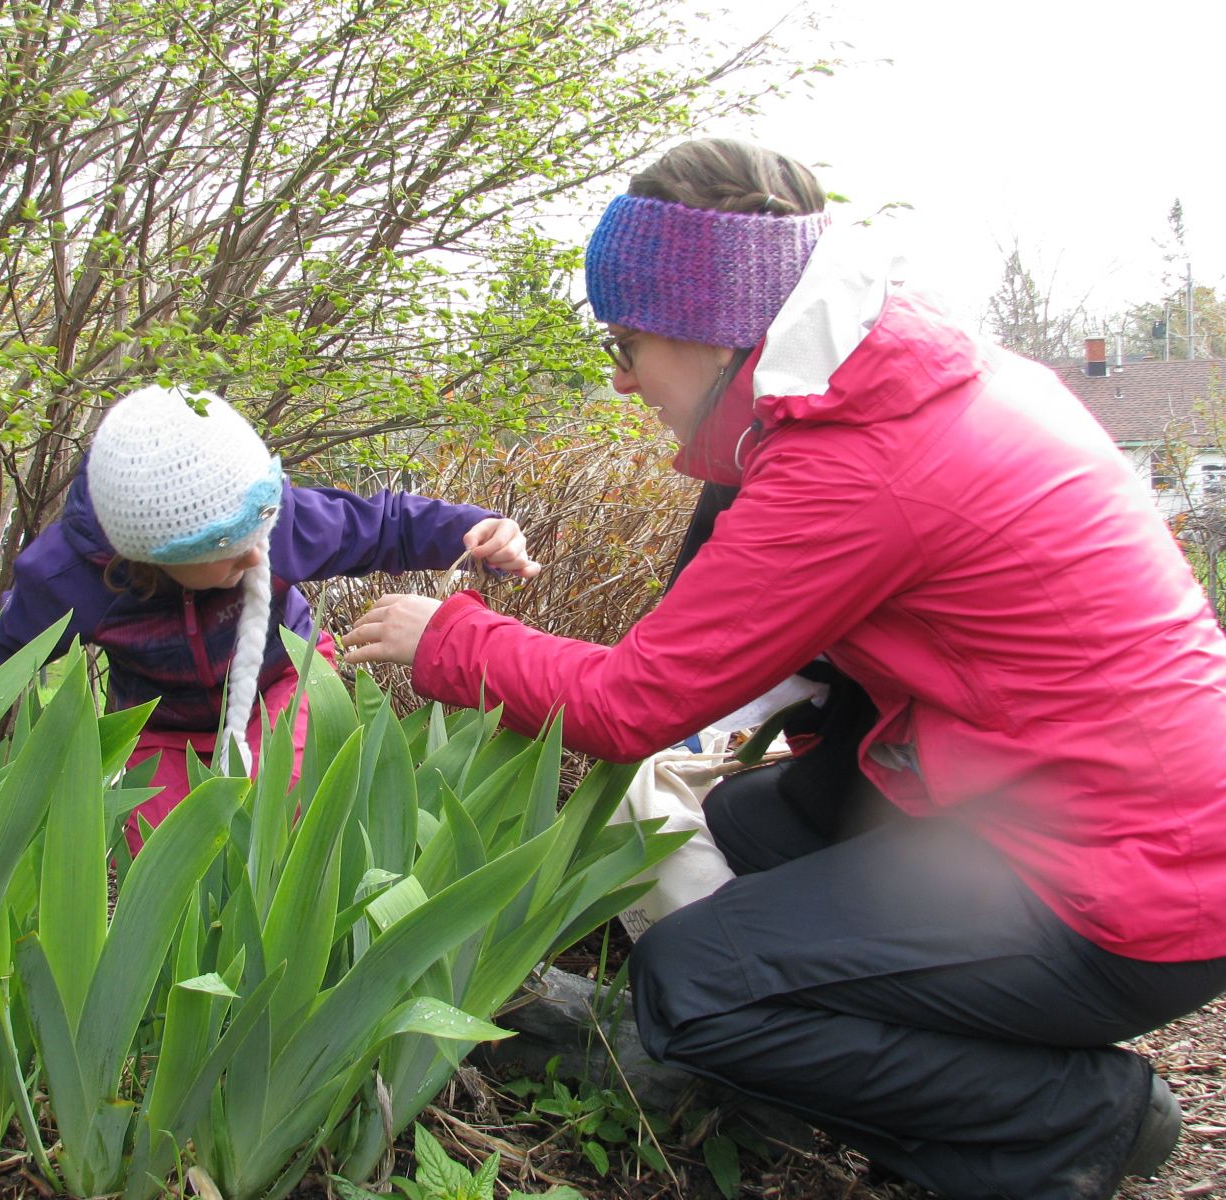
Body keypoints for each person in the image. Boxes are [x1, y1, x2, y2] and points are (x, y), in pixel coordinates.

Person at [343, 137, 1226, 1200]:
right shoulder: (910, 376)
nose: (621, 379)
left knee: (694, 986)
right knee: (751, 828)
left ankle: (1074, 1120)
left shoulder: (857, 456)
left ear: (714, 332)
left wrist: (448, 639)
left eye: (626, 341)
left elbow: (634, 706)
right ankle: (921, 1071)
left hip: (1127, 893)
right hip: (1100, 811)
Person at [0, 384, 539, 853]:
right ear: (150, 560)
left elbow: (383, 525)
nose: (256, 555)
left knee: (286, 821)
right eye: (225, 554)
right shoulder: (72, 579)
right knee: (166, 857)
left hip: (284, 684)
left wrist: (476, 532)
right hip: (161, 727)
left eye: (261, 530)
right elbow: (3, 656)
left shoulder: (273, 524)